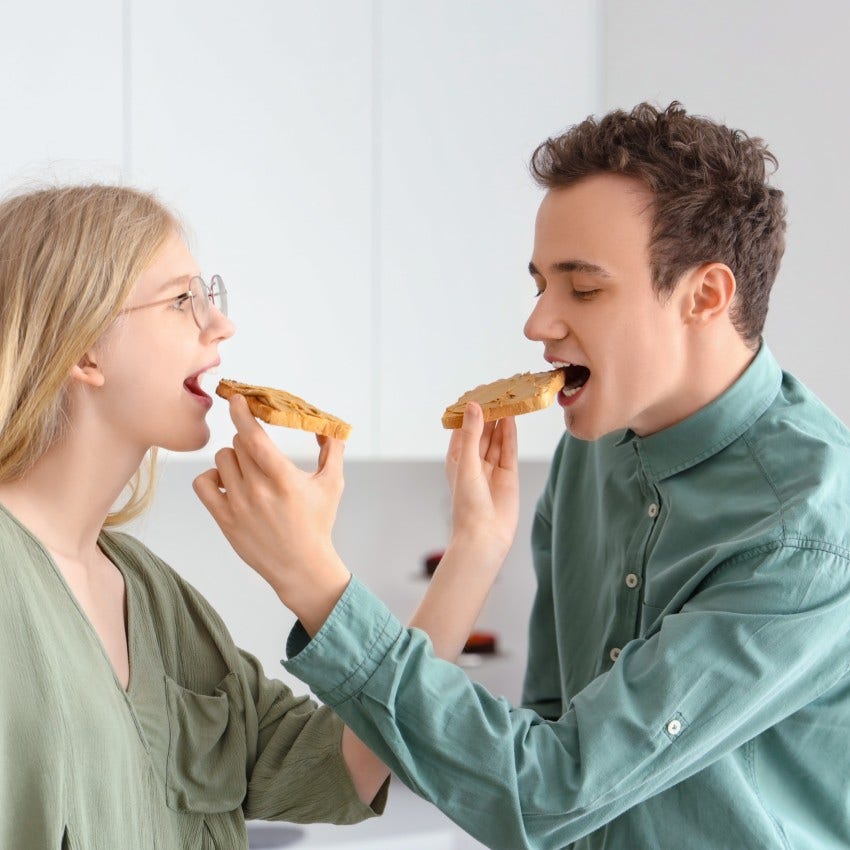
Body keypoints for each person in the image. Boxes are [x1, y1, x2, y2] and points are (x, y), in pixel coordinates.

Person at [197, 101, 850, 850]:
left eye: (584, 288)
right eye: (540, 284)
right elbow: (547, 720)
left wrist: (317, 583)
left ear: (705, 296)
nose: (537, 324)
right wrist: (476, 542)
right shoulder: (592, 451)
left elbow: (550, 791)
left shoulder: (806, 536)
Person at [0, 182, 437, 849]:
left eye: (209, 297)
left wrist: (474, 544)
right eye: (182, 301)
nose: (221, 325)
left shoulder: (153, 594)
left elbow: (347, 762)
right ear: (84, 348)